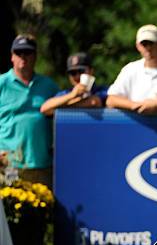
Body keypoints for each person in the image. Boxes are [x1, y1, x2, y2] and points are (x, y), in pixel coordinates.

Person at [0, 34, 59, 187]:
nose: (23, 57)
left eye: (27, 52)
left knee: (43, 208)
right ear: (12, 56)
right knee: (11, 207)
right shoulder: (2, 83)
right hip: (9, 164)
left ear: (35, 56)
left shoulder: (48, 85)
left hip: (42, 164)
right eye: (18, 53)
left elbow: (64, 111)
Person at [40, 52, 107, 116]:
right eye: (73, 73)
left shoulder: (102, 90)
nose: (77, 76)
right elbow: (45, 109)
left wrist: (61, 107)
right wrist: (72, 95)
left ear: (91, 71)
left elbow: (94, 102)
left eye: (81, 71)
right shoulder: (66, 93)